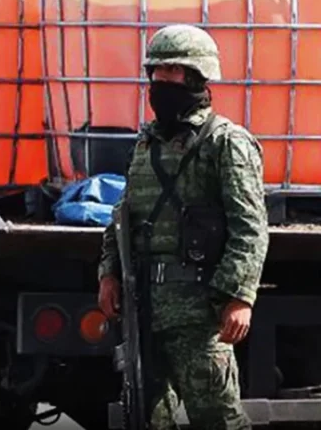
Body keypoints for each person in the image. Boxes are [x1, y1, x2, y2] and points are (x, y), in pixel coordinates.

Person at [97, 24, 269, 429]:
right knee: (147, 418)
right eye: (156, 72)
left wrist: (239, 296)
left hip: (198, 313)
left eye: (172, 71)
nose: (161, 81)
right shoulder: (146, 145)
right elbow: (123, 214)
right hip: (145, 309)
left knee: (218, 419)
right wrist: (109, 272)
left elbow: (250, 227)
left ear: (196, 77)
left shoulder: (225, 143)